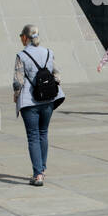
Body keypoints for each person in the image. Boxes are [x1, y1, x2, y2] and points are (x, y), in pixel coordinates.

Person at [12, 23, 64, 186]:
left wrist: (15, 95)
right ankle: (42, 169)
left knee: (33, 136)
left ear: (26, 37)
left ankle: (38, 174)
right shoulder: (49, 52)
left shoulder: (22, 55)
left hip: (30, 101)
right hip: (48, 99)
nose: (21, 39)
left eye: (21, 36)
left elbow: (18, 81)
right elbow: (57, 74)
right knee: (43, 133)